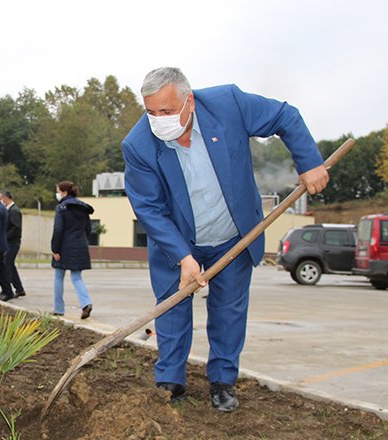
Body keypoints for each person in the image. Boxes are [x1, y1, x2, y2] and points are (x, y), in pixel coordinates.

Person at [122, 67, 328, 412]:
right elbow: (149, 209)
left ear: (189, 101)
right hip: (177, 241)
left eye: (168, 111)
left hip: (232, 236)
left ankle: (222, 382)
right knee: (172, 306)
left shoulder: (227, 104)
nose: (159, 120)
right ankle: (170, 380)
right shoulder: (138, 144)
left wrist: (309, 163)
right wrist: (184, 258)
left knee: (228, 310)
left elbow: (284, 116)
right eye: (151, 112)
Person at [50, 181, 95, 319]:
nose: (57, 194)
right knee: (76, 277)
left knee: (59, 276)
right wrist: (82, 241)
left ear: (64, 192)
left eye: (58, 191)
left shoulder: (61, 207)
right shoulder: (83, 208)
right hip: (80, 245)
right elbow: (88, 229)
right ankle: (86, 303)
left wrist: (55, 248)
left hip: (64, 247)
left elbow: (58, 229)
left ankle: (58, 309)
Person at [0, 190, 26, 297]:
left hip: (12, 243)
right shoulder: (9, 210)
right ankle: (19, 289)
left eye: (2, 198)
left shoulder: (14, 210)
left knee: (7, 265)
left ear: (6, 198)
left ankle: (7, 289)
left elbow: (16, 228)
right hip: (9, 242)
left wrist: (4, 237)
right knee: (10, 265)